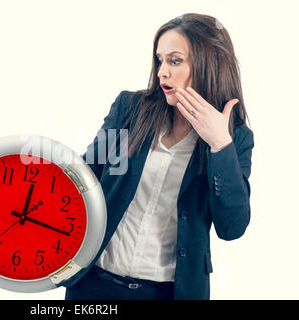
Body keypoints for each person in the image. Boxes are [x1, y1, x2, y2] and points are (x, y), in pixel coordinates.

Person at [63, 13, 254, 300]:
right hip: (93, 287)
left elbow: (232, 228)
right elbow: (85, 177)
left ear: (207, 65)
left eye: (175, 60)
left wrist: (219, 145)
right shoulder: (130, 110)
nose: (163, 71)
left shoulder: (234, 139)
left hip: (167, 294)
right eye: (160, 60)